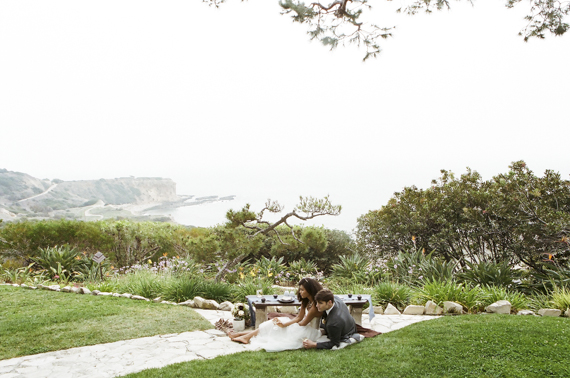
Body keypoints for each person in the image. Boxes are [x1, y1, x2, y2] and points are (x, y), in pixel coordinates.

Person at [229, 277, 324, 352]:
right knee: (274, 323)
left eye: (302, 290)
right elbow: (299, 317)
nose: (300, 292)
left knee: (277, 326)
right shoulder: (306, 301)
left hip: (308, 331)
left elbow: (303, 323)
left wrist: (285, 325)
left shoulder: (315, 307)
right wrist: (284, 324)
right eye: (300, 290)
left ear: (310, 290)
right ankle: (241, 335)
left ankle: (244, 336)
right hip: (301, 326)